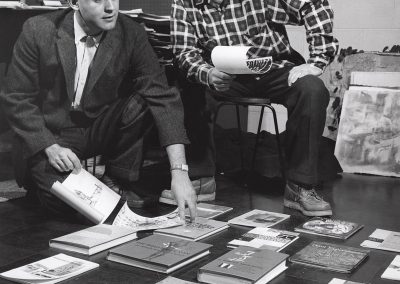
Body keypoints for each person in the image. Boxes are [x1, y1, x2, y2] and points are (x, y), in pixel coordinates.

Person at [0, 0, 197, 221]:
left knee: (144, 100)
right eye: (98, 0)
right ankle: (40, 180)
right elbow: (17, 98)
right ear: (74, 3)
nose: (110, 7)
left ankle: (118, 178)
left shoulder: (130, 32)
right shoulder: (38, 29)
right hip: (53, 134)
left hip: (97, 126)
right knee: (69, 206)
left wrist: (180, 172)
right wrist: (49, 146)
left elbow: (162, 96)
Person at [167, 0, 339, 216]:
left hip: (273, 67)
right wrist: (207, 74)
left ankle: (300, 186)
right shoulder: (185, 3)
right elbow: (184, 52)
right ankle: (201, 179)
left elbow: (313, 5)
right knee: (189, 85)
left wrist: (317, 60)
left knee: (312, 89)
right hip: (223, 75)